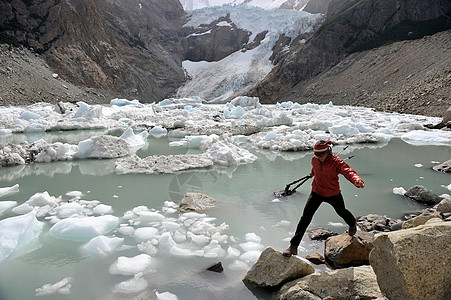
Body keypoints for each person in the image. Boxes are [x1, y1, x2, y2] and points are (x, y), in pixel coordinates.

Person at [282, 140, 365, 257]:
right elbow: (315, 168)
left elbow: (348, 171)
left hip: (333, 194)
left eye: (321, 155)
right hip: (316, 192)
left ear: (328, 151)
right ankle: (293, 247)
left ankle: (352, 223)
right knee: (305, 218)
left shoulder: (336, 162)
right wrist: (312, 173)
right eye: (317, 155)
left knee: (341, 211)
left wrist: (356, 180)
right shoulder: (314, 159)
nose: (319, 157)